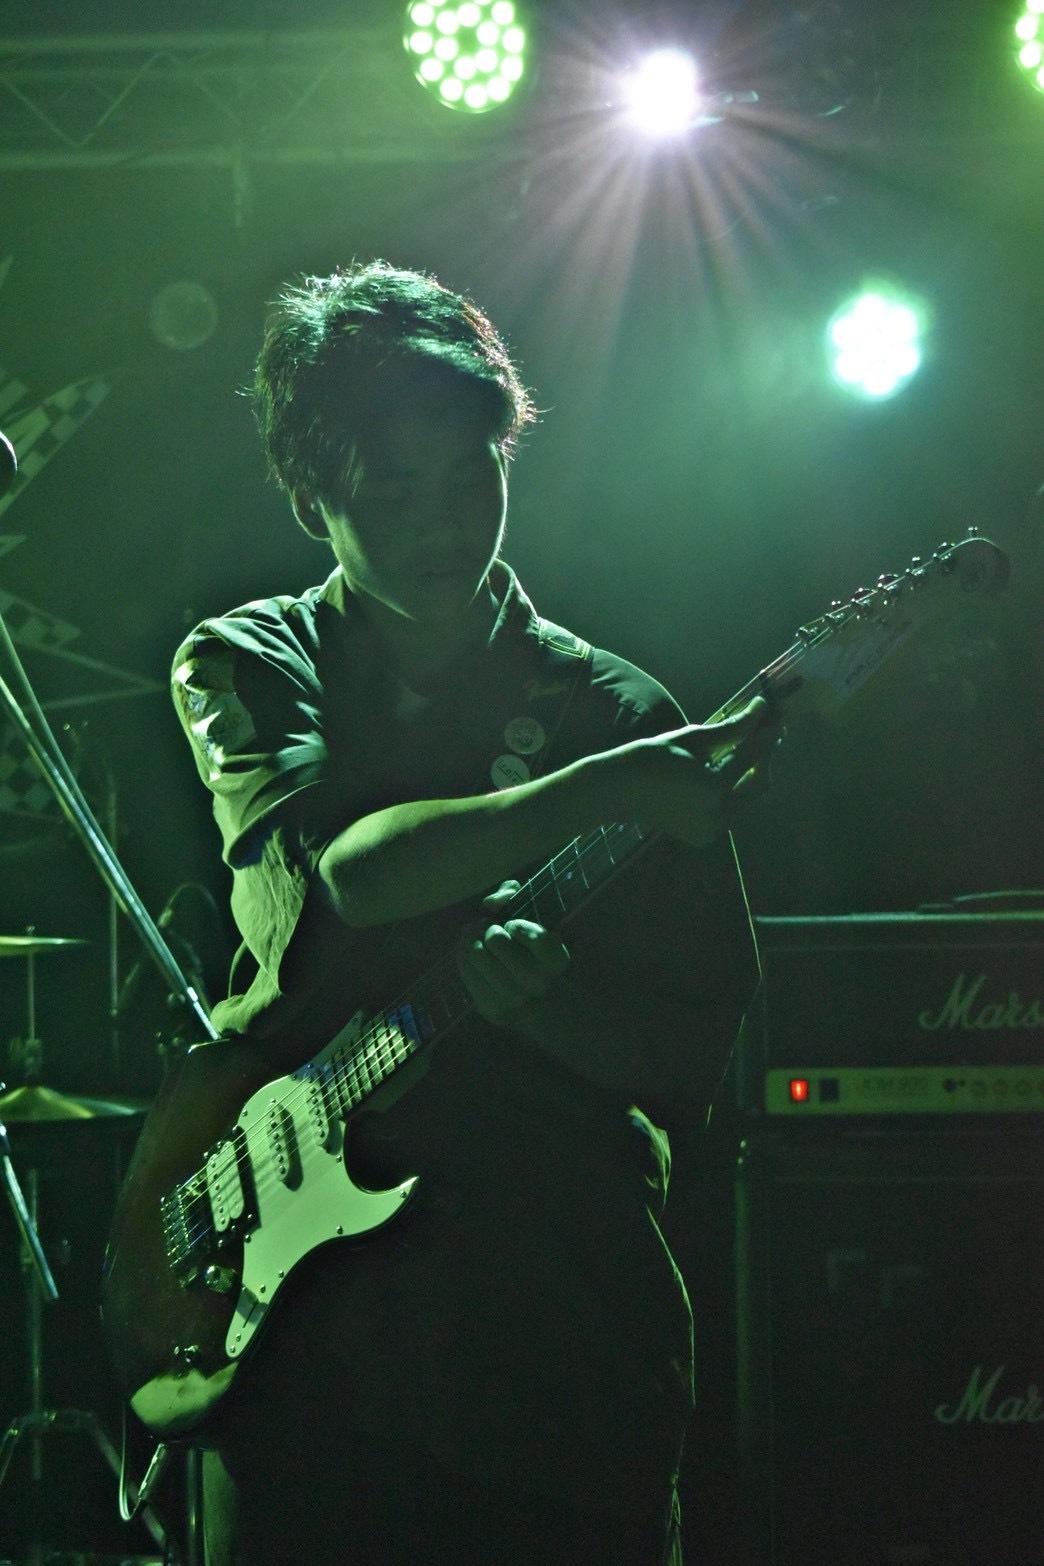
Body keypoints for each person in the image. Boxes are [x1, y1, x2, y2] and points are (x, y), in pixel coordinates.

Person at [170, 259, 774, 1566]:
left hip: (556, 1335)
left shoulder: (618, 709)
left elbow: (690, 1055)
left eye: (471, 478)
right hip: (300, 1344)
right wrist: (593, 794)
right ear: (313, 497)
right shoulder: (250, 659)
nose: (445, 524)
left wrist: (544, 1012)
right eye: (394, 490)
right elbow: (347, 875)